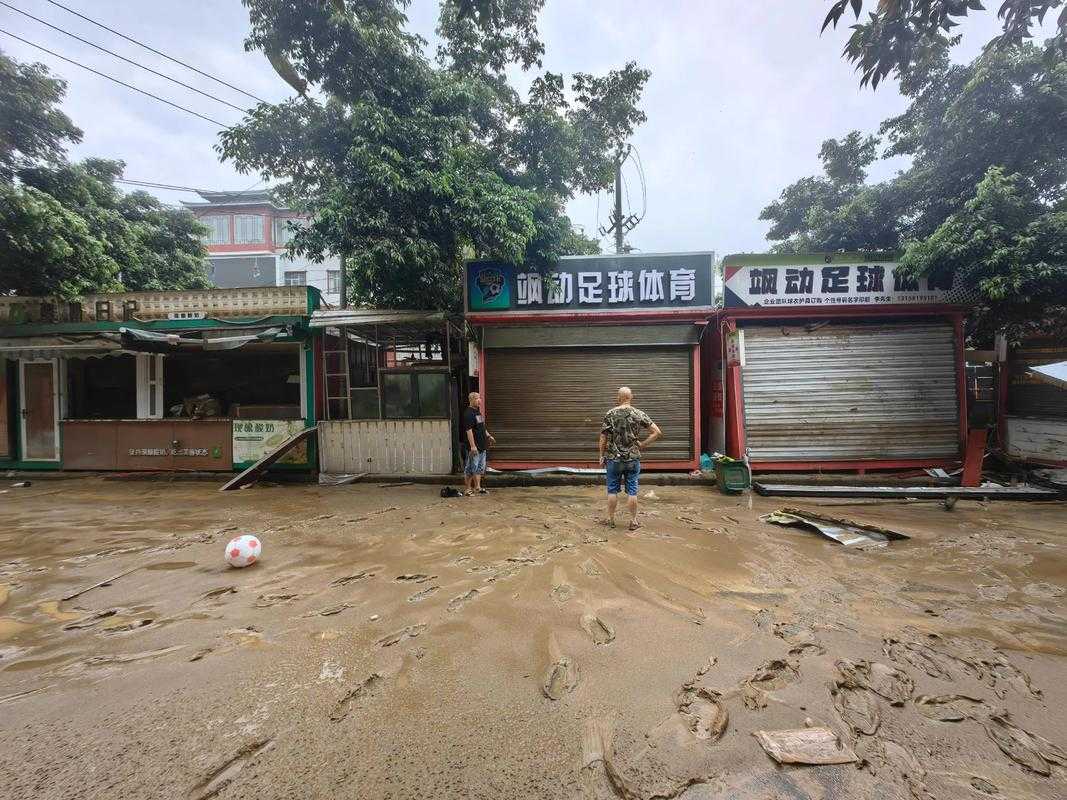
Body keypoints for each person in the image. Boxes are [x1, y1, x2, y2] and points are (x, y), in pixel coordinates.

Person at [598, 386, 662, 530]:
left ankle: (610, 520)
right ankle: (633, 521)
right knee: (632, 491)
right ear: (631, 397)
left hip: (614, 458)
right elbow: (657, 432)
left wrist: (601, 455)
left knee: (612, 490)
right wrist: (643, 444)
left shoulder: (610, 413)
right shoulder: (638, 413)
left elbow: (603, 437)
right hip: (632, 458)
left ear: (618, 398)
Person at [461, 391, 495, 496]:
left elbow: (482, 427)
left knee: (480, 468)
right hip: (474, 447)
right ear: (471, 400)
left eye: (479, 398)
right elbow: (469, 431)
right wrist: (472, 446)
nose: (479, 400)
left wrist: (489, 436)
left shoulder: (477, 412)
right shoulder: (468, 414)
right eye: (477, 398)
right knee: (471, 468)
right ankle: (467, 489)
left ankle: (478, 487)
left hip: (482, 445)